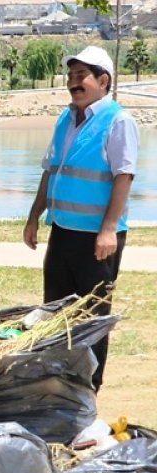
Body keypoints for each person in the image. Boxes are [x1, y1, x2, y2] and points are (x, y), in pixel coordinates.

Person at [24, 46, 137, 389]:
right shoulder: (65, 118)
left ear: (103, 81)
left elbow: (124, 176)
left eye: (81, 77)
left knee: (92, 319)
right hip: (62, 231)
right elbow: (51, 171)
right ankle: (58, 382)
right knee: (56, 311)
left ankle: (89, 387)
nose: (74, 84)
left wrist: (107, 231)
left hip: (97, 240)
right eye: (71, 77)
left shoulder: (118, 121)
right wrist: (33, 217)